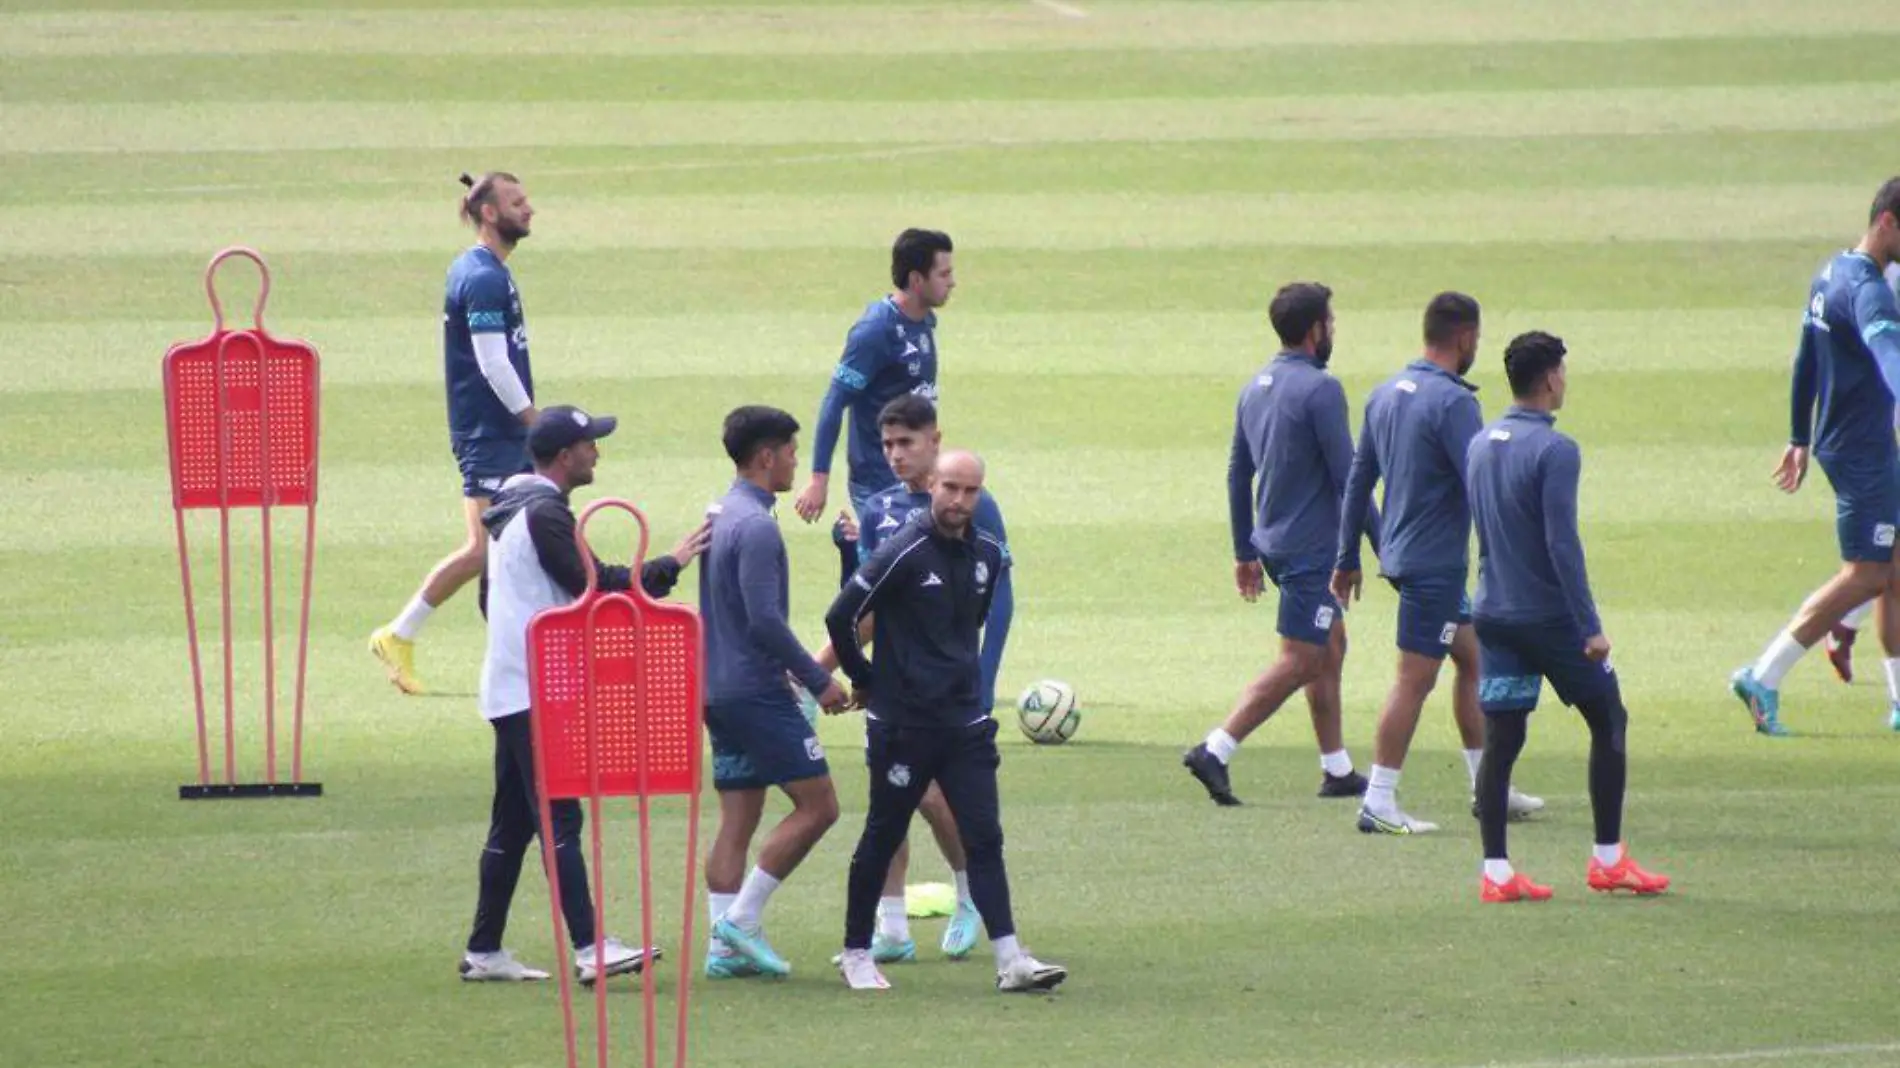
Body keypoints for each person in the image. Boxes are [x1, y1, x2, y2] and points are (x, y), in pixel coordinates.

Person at [461, 404, 711, 981]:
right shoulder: (546, 513)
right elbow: (600, 588)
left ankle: (484, 949)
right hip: (536, 691)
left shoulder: (512, 507)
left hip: (510, 685)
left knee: (515, 824)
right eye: (589, 444)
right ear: (564, 455)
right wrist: (670, 564)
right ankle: (588, 946)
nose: (597, 451)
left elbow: (487, 599)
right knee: (559, 820)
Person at [825, 451, 1065, 993]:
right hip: (904, 726)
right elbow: (842, 615)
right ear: (932, 485)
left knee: (985, 837)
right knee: (882, 835)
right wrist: (866, 677)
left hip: (964, 724)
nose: (958, 501)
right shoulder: (902, 551)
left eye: (969, 491)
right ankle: (858, 952)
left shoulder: (984, 551)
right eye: (950, 488)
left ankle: (1010, 958)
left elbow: (968, 625)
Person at [1465, 332, 1669, 903]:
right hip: (1548, 619)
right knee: (1609, 718)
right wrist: (1589, 626)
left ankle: (1497, 873)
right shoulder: (1557, 451)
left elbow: (1485, 533)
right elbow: (1562, 545)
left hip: (1494, 612)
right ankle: (1608, 860)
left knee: (1502, 738)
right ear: (1551, 378)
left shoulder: (1480, 443)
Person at [1333, 293, 1543, 835]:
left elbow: (1358, 480)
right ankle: (1378, 800)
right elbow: (1479, 480)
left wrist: (1346, 558)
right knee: (1414, 679)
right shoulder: (1453, 403)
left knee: (1473, 659)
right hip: (1435, 565)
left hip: (1405, 556)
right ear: (1466, 338)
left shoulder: (1385, 393)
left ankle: (1486, 785)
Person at [813, 395, 1010, 963]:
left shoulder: (973, 503)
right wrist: (842, 672)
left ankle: (970, 895)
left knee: (934, 798)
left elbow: (996, 596)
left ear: (934, 441)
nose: (897, 455)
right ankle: (893, 926)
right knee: (894, 804)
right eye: (888, 445)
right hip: (896, 693)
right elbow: (866, 604)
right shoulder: (878, 510)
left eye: (908, 443)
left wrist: (983, 675)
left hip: (952, 695)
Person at [1184, 282, 1372, 807]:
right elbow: (1349, 480)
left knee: (1331, 645)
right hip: (1311, 550)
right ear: (1315, 331)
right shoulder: (1322, 389)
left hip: (1273, 541)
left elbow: (1236, 473)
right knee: (1303, 657)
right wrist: (1379, 546)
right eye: (1330, 323)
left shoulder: (1256, 386)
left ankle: (1336, 769)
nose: (1332, 331)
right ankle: (1216, 748)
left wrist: (1244, 549)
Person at [1733, 178, 1900, 735]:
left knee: (1894, 565)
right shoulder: (1872, 290)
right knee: (1866, 574)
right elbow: (1888, 355)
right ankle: (1764, 673)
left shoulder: (1831, 272)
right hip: (1863, 450)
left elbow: (1806, 356)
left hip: (1840, 439)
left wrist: (1797, 436)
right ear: (1887, 223)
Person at [371, 171, 540, 695]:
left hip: (495, 432)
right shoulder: (484, 277)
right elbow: (492, 363)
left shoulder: (482, 269)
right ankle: (398, 635)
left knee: (505, 549)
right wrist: (536, 420)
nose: (529, 209)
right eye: (517, 202)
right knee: (483, 549)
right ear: (489, 213)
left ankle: (519, 661)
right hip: (490, 434)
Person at [701, 406, 849, 980]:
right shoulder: (758, 526)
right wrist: (818, 680)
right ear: (766, 457)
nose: (796, 460)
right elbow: (763, 621)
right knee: (820, 807)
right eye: (790, 451)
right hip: (756, 692)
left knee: (738, 815)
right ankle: (739, 920)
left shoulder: (720, 512)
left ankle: (721, 951)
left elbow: (723, 612)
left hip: (716, 689)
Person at [793, 228, 955, 581]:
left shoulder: (924, 320)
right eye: (944, 274)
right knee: (891, 584)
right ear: (916, 279)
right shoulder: (875, 331)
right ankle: (851, 557)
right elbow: (834, 402)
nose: (952, 282)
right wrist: (818, 479)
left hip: (918, 474)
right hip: (879, 478)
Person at [1819, 260, 1900, 691]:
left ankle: (1845, 623)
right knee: (1885, 556)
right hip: (1882, 424)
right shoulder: (1884, 280)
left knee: (1889, 555)